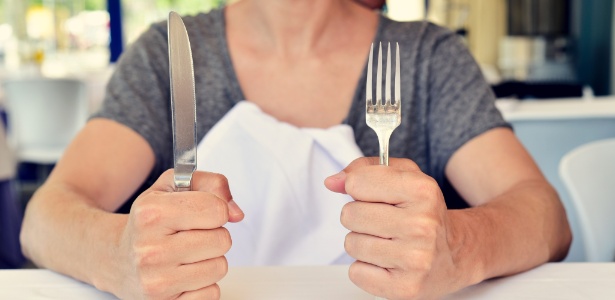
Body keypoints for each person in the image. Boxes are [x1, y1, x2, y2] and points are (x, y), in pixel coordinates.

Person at [20, 0, 572, 299]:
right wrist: (117, 256)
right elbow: (44, 219)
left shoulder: (425, 56)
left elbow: (546, 218)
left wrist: (461, 245)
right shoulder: (168, 55)